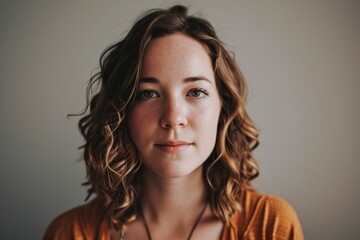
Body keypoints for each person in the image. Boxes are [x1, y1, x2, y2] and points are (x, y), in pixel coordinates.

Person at [44, 5, 303, 240]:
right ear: (121, 112)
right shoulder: (70, 233)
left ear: (222, 106)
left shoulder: (271, 225)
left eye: (196, 92)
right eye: (148, 94)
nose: (173, 118)